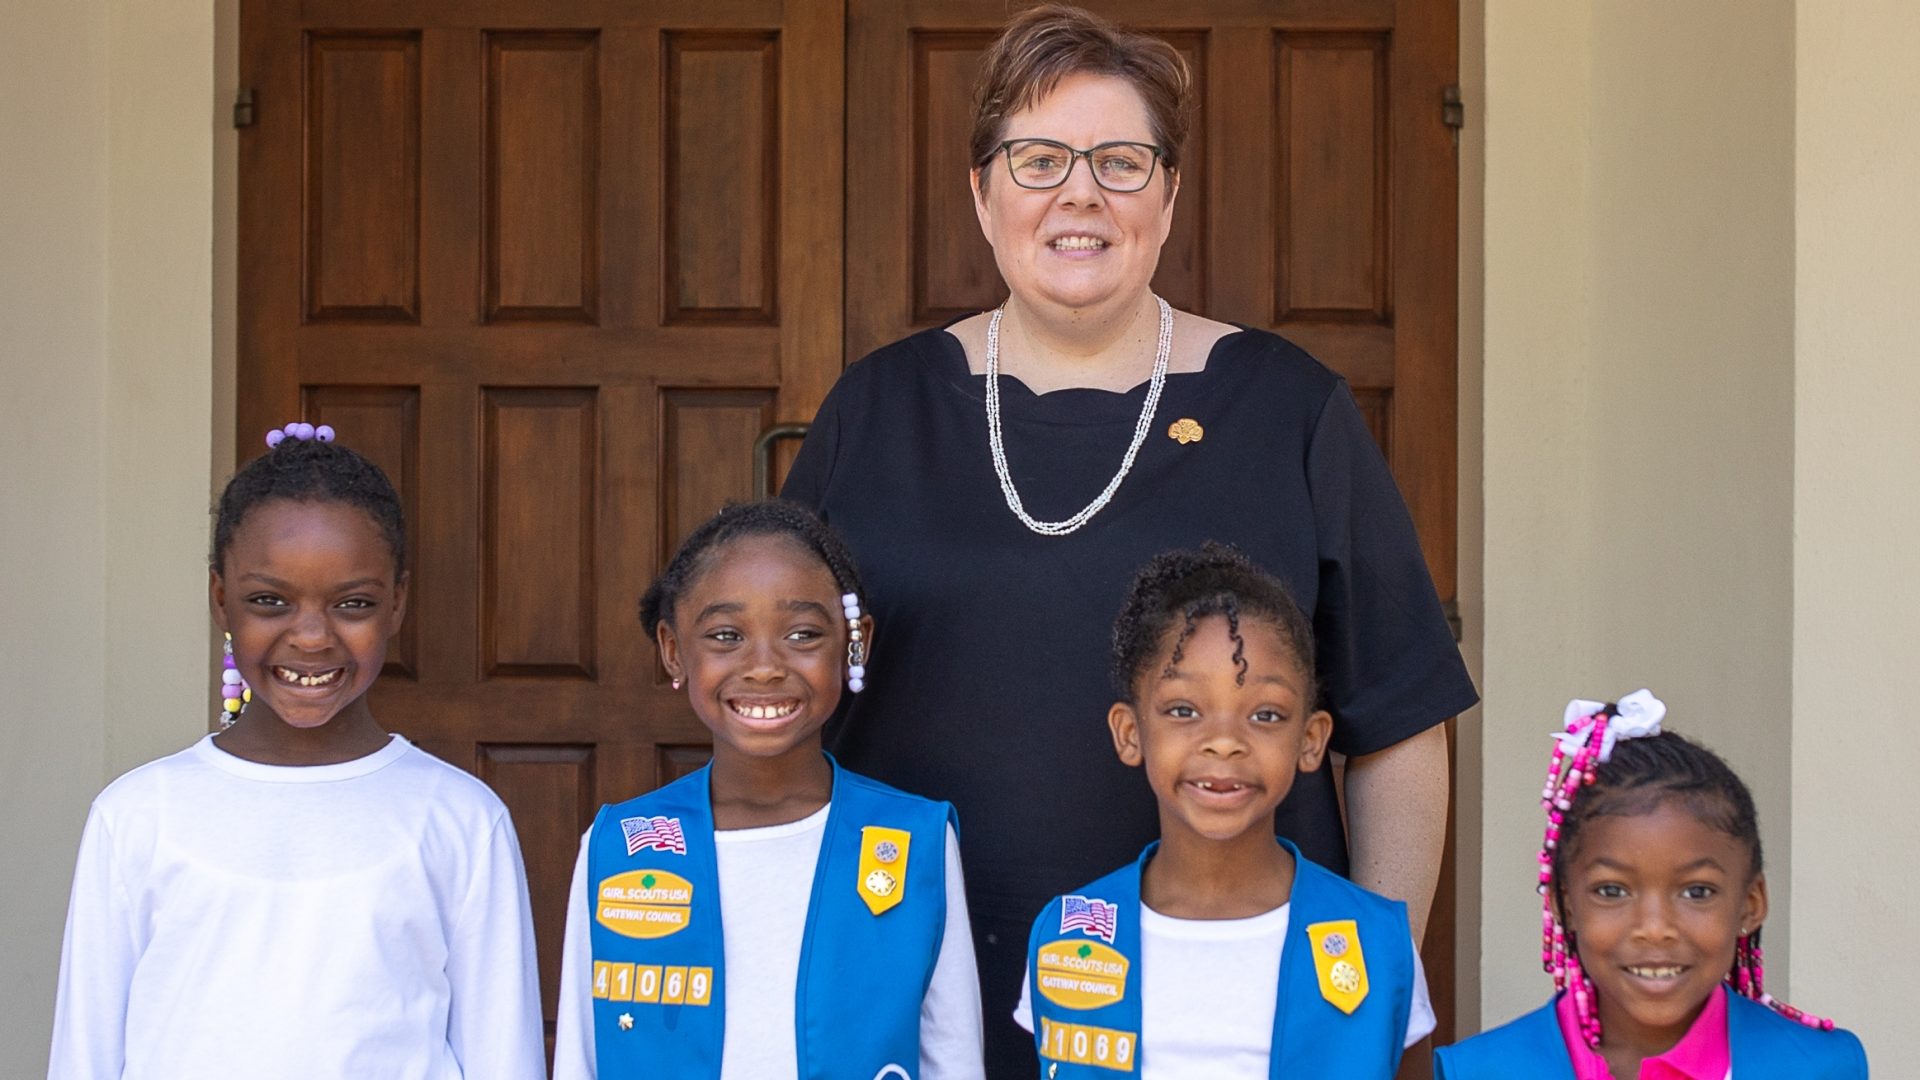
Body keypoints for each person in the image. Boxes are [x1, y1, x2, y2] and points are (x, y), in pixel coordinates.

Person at [781, 5, 1474, 1069]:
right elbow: (787, 720)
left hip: (1232, 1006)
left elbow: (1399, 719)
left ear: (1169, 193)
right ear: (981, 191)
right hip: (919, 997)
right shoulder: (875, 413)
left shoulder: (1288, 412)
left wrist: (1364, 992)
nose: (1080, 193)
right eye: (1038, 158)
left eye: (1121, 160)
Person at [47, 423, 545, 1080]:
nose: (311, 637)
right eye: (269, 600)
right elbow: (84, 1053)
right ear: (221, 599)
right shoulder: (138, 815)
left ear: (397, 602)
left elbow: (502, 1054)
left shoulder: (459, 819)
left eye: (353, 603)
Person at [551, 500, 985, 1080]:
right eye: (726, 635)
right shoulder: (621, 846)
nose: (763, 667)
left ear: (855, 644)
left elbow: (952, 1059)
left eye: (802, 634)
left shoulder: (914, 842)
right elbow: (583, 1057)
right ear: (673, 649)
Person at [1011, 546, 1434, 1076]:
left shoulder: (1377, 943)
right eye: (1183, 710)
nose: (1224, 742)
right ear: (1129, 732)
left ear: (1310, 739)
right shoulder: (1070, 939)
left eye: (1265, 714)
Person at [1434, 692, 1868, 1079]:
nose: (1654, 927)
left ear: (1750, 903)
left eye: (1697, 891)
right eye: (1612, 891)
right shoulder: (1479, 1070)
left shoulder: (1820, 1066)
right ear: (1564, 906)